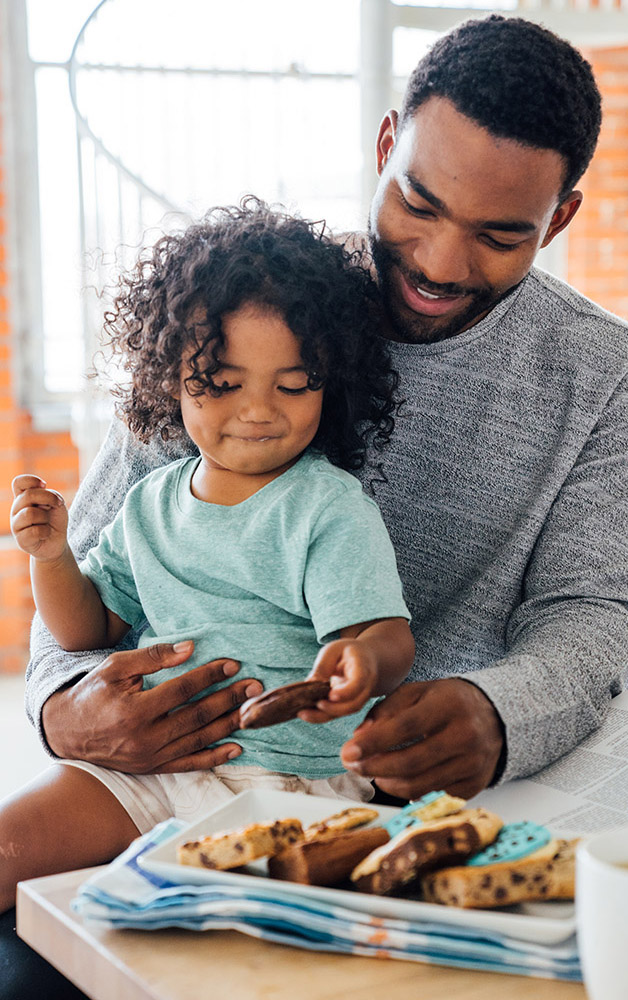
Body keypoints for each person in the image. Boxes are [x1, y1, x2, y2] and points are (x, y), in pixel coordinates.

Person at [5, 5, 628, 901]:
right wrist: (66, 707)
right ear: (386, 142)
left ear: (557, 222)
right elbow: (88, 575)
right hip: (163, 761)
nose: (438, 260)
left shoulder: (605, 372)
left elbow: (591, 612)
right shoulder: (246, 303)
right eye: (417, 203)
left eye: (498, 234)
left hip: (371, 788)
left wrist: (498, 712)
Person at [2, 200, 414, 913]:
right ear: (169, 378)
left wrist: (361, 664)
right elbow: (87, 632)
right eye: (222, 384)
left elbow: (381, 635)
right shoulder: (151, 502)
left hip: (292, 788)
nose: (258, 410)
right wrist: (50, 555)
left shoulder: (327, 506)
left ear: (330, 382)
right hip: (152, 770)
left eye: (293, 385)